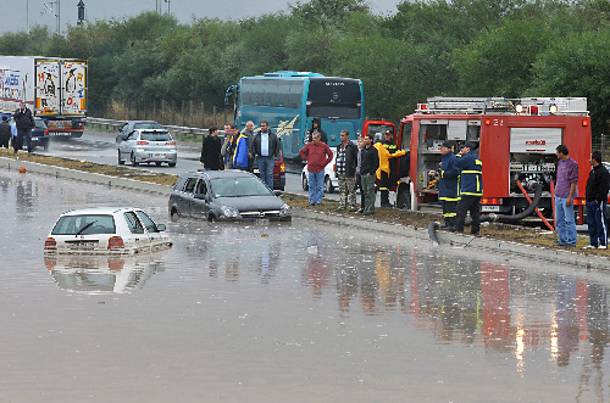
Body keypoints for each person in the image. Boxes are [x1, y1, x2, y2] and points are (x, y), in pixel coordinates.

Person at [454, 142, 483, 236]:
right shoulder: (477, 159)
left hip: (469, 190)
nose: (463, 150)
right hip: (477, 191)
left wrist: (459, 154)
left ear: (468, 149)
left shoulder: (467, 158)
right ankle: (475, 231)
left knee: (461, 210)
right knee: (475, 212)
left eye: (464, 148)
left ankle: (459, 229)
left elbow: (457, 163)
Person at [299, 131, 333, 206]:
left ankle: (318, 201)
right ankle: (311, 200)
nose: (314, 140)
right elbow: (301, 152)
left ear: (319, 138)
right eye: (313, 138)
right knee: (311, 185)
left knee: (320, 186)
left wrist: (324, 163)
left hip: (320, 169)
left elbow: (330, 155)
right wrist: (307, 159)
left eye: (316, 138)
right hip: (311, 168)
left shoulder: (324, 146)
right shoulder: (309, 145)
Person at [555, 144, 579, 246]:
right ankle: (563, 240)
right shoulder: (560, 163)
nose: (555, 154)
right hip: (558, 195)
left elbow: (573, 183)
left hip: (566, 197)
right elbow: (558, 178)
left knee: (569, 220)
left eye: (557, 152)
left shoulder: (573, 164)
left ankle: (572, 241)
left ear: (561, 153)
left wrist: (570, 197)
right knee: (559, 221)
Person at [374, 133, 406, 208]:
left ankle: (384, 202)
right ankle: (384, 202)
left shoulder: (376, 146)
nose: (387, 137)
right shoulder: (381, 146)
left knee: (384, 186)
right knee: (384, 186)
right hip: (384, 169)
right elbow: (390, 155)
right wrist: (403, 152)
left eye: (389, 135)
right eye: (386, 135)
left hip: (382, 169)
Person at [585, 151, 609, 249]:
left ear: (595, 160)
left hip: (598, 202)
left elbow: (604, 188)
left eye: (590, 158)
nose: (589, 160)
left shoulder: (603, 172)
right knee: (591, 223)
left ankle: (603, 243)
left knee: (600, 221)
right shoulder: (592, 172)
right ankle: (593, 243)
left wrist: (597, 200)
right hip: (590, 201)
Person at [250, 120, 280, 190]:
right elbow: (252, 145)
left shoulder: (273, 136)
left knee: (269, 174)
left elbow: (277, 145)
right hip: (260, 158)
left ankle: (270, 190)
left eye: (264, 126)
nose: (262, 127)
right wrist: (254, 153)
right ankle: (263, 190)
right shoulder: (257, 136)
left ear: (267, 127)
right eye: (261, 126)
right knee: (262, 174)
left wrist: (275, 154)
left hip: (270, 158)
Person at [438, 141, 460, 230]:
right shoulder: (444, 158)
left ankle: (453, 225)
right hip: (444, 188)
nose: (441, 149)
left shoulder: (453, 158)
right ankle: (447, 224)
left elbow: (456, 172)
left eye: (443, 148)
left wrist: (443, 174)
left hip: (451, 188)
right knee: (445, 208)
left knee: (451, 208)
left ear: (449, 149)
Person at [335, 130, 358, 211]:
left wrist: (354, 168)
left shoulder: (352, 146)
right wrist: (336, 170)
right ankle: (342, 205)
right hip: (340, 171)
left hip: (349, 171)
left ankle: (352, 205)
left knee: (351, 189)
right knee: (342, 190)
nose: (342, 137)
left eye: (343, 135)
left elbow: (356, 158)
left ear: (347, 136)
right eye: (341, 135)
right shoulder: (339, 146)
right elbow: (337, 157)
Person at [360, 134, 379, 215]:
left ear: (371, 140)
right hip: (363, 174)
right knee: (365, 192)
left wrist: (371, 172)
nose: (365, 140)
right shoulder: (363, 150)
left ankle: (370, 209)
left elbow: (376, 163)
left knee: (370, 191)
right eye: (364, 139)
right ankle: (366, 208)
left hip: (369, 175)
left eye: (367, 139)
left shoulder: (374, 150)